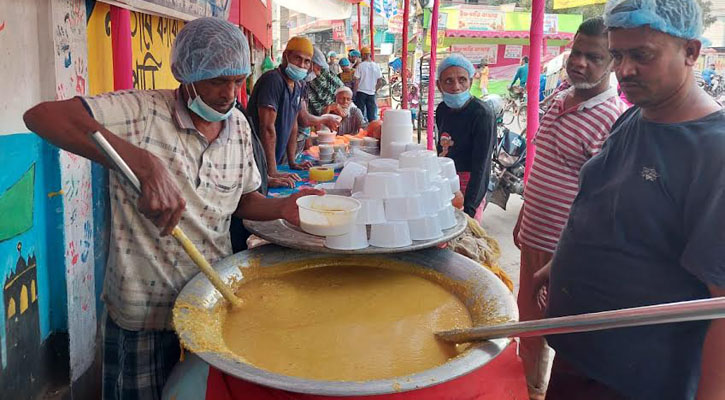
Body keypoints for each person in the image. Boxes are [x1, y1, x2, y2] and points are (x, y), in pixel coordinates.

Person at [22, 18, 323, 400]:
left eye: (237, 80)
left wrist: (284, 208)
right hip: (146, 314)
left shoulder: (239, 127)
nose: (229, 94)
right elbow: (41, 116)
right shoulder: (142, 111)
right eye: (217, 81)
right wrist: (140, 162)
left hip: (211, 302)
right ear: (188, 74)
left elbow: (243, 204)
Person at [534, 1, 725, 399]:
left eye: (642, 56)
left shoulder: (713, 153)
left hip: (635, 379)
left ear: (691, 51)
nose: (624, 70)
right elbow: (608, 207)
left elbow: (720, 305)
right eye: (618, 55)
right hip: (579, 353)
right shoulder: (635, 116)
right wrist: (564, 262)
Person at [511, 17, 628, 400]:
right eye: (576, 52)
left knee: (561, 340)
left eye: (594, 57)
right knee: (527, 329)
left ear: (614, 61)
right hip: (533, 240)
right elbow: (542, 168)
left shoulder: (613, 120)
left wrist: (567, 256)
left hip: (565, 254)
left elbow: (603, 203)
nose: (579, 62)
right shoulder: (559, 99)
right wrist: (523, 218)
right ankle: (527, 390)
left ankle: (544, 391)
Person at [247, 37, 339, 188]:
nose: (302, 65)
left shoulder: (299, 85)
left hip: (275, 160)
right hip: (256, 160)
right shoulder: (272, 80)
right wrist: (271, 171)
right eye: (297, 58)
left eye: (307, 61)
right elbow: (267, 128)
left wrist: (292, 161)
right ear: (286, 56)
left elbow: (294, 124)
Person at [435, 54, 496, 223]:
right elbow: (441, 150)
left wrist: (470, 207)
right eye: (448, 81)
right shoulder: (441, 110)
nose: (456, 87)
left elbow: (482, 166)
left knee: (465, 237)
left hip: (471, 184)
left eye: (462, 80)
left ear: (470, 81)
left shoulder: (482, 113)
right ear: (438, 85)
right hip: (446, 181)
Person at [307, 47, 344, 116]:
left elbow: (343, 92)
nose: (318, 72)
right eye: (317, 68)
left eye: (320, 68)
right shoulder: (300, 84)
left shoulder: (327, 76)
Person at [353, 47, 384, 122]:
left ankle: (360, 130)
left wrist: (354, 93)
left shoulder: (360, 66)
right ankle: (371, 129)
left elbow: (356, 81)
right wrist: (375, 90)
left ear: (363, 55)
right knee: (371, 115)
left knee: (359, 114)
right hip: (371, 93)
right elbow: (380, 81)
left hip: (361, 92)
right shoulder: (376, 66)